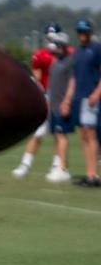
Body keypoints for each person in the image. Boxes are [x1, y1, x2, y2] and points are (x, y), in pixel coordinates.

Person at [13, 24, 63, 179]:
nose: (51, 40)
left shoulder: (67, 55)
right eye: (49, 37)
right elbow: (38, 80)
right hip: (47, 96)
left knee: (59, 134)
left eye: (54, 37)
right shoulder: (41, 55)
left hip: (62, 97)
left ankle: (58, 166)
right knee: (38, 133)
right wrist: (42, 96)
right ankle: (25, 165)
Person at [60, 19, 101, 187]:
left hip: (91, 98)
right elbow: (74, 79)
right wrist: (67, 100)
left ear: (90, 32)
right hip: (79, 97)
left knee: (90, 133)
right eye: (79, 31)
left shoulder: (97, 49)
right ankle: (89, 173)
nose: (82, 35)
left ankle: (94, 176)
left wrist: (97, 93)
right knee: (84, 134)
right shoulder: (77, 53)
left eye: (85, 31)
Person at [43, 33, 76, 183]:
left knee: (61, 135)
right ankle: (60, 165)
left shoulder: (70, 62)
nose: (54, 47)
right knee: (56, 135)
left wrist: (67, 102)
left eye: (57, 44)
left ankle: (63, 169)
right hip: (54, 104)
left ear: (62, 45)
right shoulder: (55, 62)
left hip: (63, 104)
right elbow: (51, 85)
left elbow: (72, 83)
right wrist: (48, 102)